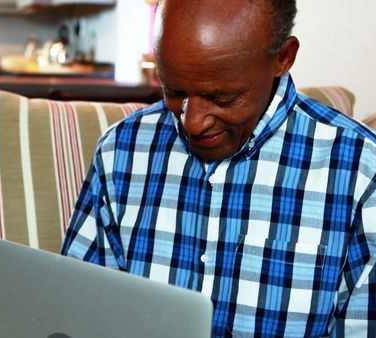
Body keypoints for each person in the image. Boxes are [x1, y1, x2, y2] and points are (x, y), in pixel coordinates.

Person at [61, 0, 376, 336]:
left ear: (283, 58)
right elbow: (74, 312)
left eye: (221, 99)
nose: (192, 123)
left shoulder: (360, 171)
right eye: (174, 90)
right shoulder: (120, 151)